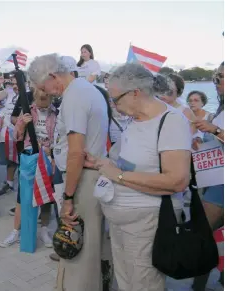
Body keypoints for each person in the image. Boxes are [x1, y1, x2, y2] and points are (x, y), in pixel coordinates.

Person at [88, 63, 191, 291]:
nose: (114, 106)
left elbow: (177, 180)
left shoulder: (171, 121)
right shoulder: (135, 120)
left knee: (144, 285)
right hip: (123, 220)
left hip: (148, 222)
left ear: (135, 93)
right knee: (126, 282)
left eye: (116, 99)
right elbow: (132, 163)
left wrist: (119, 175)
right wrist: (105, 164)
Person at [28, 54, 108, 291]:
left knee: (78, 247)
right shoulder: (85, 90)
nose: (48, 93)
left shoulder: (74, 97)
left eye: (45, 87)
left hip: (81, 177)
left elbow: (75, 152)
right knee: (91, 244)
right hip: (84, 174)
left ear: (53, 76)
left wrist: (69, 198)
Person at [0, 89, 57, 248]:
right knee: (22, 197)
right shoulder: (28, 111)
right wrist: (22, 124)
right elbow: (16, 137)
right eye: (40, 101)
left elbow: (60, 138)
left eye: (46, 102)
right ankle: (16, 231)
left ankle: (44, 230)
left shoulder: (56, 113)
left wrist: (50, 150)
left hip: (48, 158)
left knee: (46, 196)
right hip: (29, 157)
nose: (43, 105)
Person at [191, 62, 224, 291]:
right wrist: (205, 142)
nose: (217, 81)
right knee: (204, 231)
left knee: (203, 230)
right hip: (216, 179)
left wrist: (216, 131)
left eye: (220, 76)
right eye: (215, 76)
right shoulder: (221, 107)